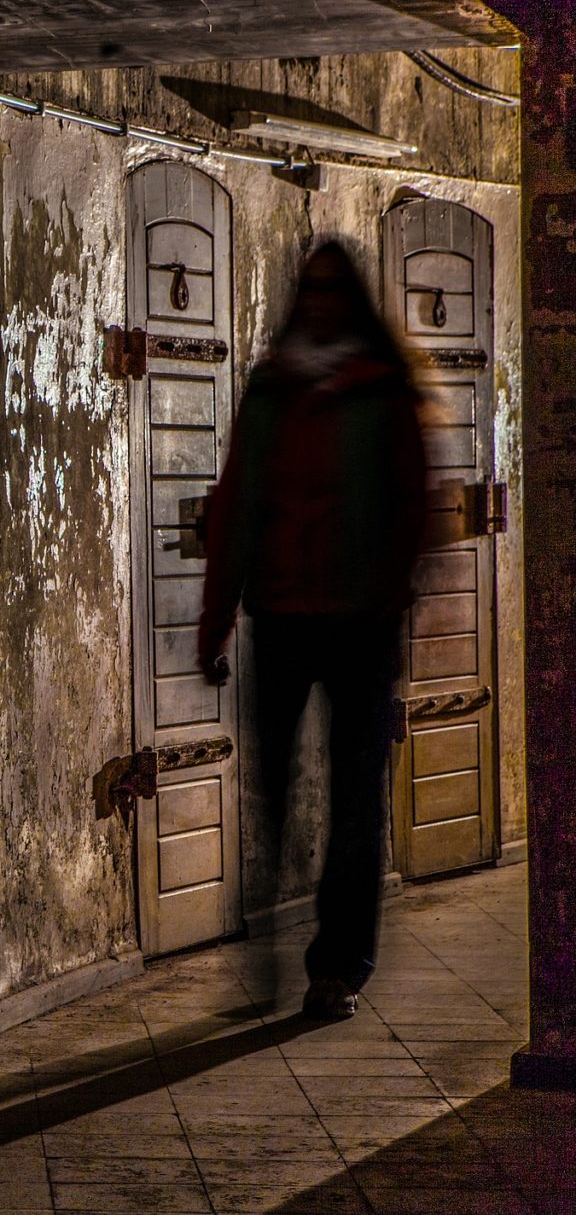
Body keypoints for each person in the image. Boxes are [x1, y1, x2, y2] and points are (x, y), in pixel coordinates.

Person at [196, 240, 427, 1022]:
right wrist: (216, 615)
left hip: (359, 623)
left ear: (350, 299)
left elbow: (410, 503)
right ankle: (263, 948)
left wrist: (393, 599)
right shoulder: (272, 387)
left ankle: (337, 966)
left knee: (357, 800)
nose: (323, 300)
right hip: (284, 617)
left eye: (335, 289)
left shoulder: (380, 390)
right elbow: (236, 501)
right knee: (271, 789)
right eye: (313, 288)